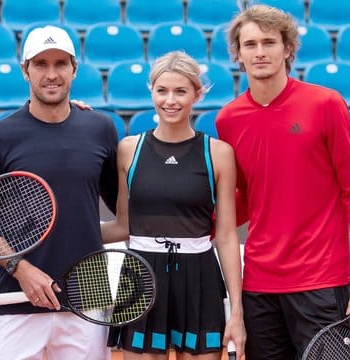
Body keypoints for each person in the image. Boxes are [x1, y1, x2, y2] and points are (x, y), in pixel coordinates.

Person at [216, 5, 350, 359]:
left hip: (320, 282)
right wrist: (197, 225)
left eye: (269, 42)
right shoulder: (228, 120)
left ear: (287, 49)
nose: (260, 52)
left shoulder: (326, 105)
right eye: (250, 44)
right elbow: (243, 199)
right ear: (239, 55)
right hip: (258, 285)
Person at [0, 25, 119, 360]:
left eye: (60, 64)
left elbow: (123, 212)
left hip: (87, 298)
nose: (51, 74)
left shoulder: (101, 128)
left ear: (74, 70)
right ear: (25, 70)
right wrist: (21, 269)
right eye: (41, 64)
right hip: (14, 298)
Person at [101, 51, 246, 359]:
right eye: (162, 90)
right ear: (151, 91)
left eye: (181, 91)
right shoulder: (128, 150)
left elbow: (226, 236)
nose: (170, 100)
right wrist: (67, 234)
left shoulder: (218, 153)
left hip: (199, 277)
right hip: (140, 274)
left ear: (197, 93)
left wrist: (237, 311)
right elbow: (124, 226)